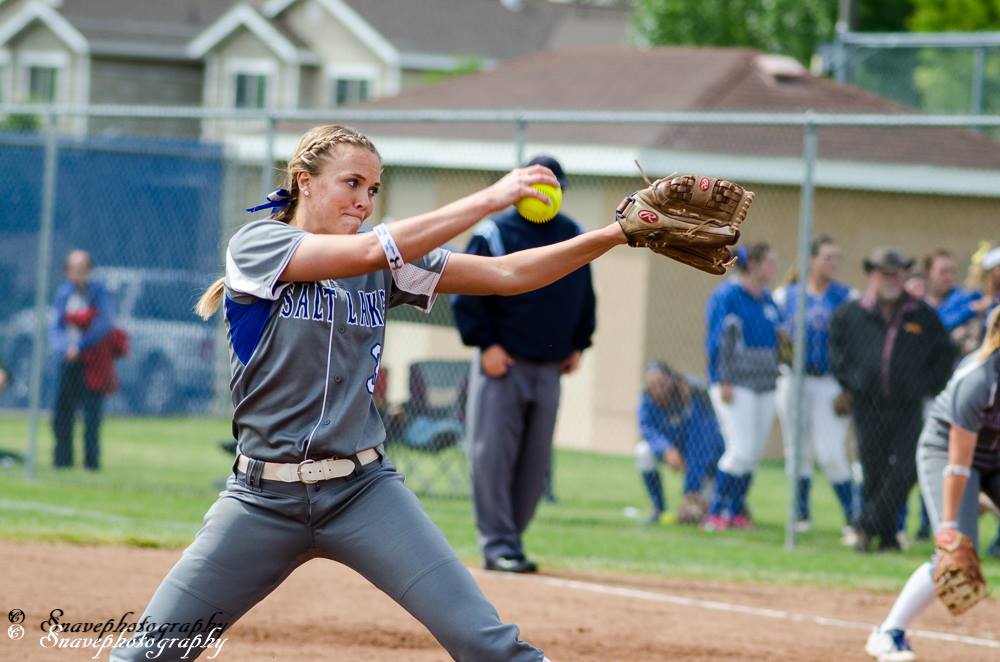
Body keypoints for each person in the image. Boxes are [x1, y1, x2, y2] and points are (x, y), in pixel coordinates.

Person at [111, 125, 630, 661]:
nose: (364, 200)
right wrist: (491, 199)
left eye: (373, 189)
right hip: (261, 500)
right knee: (146, 655)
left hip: (362, 492)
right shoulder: (258, 246)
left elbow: (508, 273)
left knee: (488, 644)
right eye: (352, 183)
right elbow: (366, 252)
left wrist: (616, 234)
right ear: (304, 182)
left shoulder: (383, 262)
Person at [451, 154, 595, 574]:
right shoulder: (494, 233)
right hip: (504, 362)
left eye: (554, 188)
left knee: (534, 463)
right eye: (538, 186)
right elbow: (467, 290)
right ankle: (497, 544)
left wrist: (579, 342)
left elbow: (584, 293)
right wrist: (486, 344)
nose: (547, 195)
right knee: (493, 457)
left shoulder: (571, 234)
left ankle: (512, 540)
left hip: (551, 365)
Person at [864, 305, 1000, 662]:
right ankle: (888, 633)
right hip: (948, 455)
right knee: (956, 549)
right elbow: (958, 465)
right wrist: (950, 527)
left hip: (995, 457)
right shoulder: (979, 380)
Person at [829, 247, 955, 553]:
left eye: (896, 274)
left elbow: (944, 354)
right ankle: (885, 538)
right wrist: (851, 383)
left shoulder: (921, 314)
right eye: (884, 273)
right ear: (871, 275)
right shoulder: (851, 313)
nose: (890, 280)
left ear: (903, 276)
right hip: (867, 405)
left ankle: (865, 525)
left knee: (908, 467)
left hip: (907, 406)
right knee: (872, 470)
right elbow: (835, 352)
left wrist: (926, 386)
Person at [773, 236, 857, 537]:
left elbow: (856, 342)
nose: (833, 263)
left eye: (837, 258)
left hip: (830, 381)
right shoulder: (786, 295)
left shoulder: (847, 297)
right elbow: (774, 335)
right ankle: (800, 515)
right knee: (797, 450)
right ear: (811, 260)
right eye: (827, 257)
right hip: (793, 378)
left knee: (831, 452)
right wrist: (782, 344)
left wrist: (849, 385)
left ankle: (854, 518)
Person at [703, 243, 780, 531]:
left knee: (753, 454)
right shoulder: (728, 295)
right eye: (769, 262)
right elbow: (717, 340)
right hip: (735, 383)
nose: (773, 268)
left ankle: (736, 512)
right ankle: (716, 512)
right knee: (740, 450)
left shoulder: (768, 300)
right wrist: (723, 379)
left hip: (765, 383)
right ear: (754, 264)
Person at [634, 361, 724, 525]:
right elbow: (647, 429)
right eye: (652, 385)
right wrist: (666, 449)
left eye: (662, 383)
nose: (658, 389)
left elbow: (701, 444)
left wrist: (690, 490)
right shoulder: (647, 399)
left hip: (706, 461)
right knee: (643, 451)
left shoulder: (691, 396)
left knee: (697, 513)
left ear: (672, 379)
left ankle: (727, 507)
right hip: (671, 450)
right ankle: (658, 508)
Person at [50, 249, 115, 470]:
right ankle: (62, 460)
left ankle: (91, 462)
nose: (79, 273)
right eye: (74, 269)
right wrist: (65, 348)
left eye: (83, 269)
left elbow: (104, 324)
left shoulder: (98, 293)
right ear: (68, 272)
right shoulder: (63, 294)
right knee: (63, 412)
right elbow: (56, 327)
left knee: (91, 414)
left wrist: (80, 346)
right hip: (68, 361)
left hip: (92, 363)